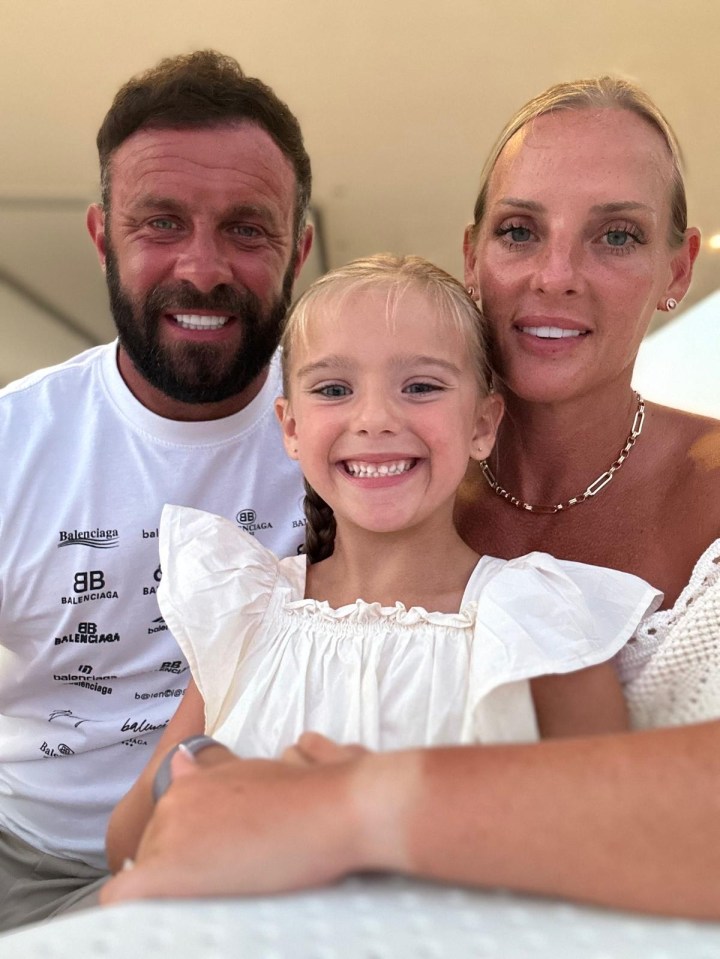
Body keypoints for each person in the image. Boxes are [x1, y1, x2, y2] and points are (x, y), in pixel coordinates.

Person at [101, 78, 720, 920]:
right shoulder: (303, 552)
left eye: (617, 234)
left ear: (677, 267)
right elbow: (143, 820)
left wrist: (335, 807)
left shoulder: (544, 609)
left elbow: (603, 835)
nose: (557, 274)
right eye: (519, 230)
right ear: (474, 255)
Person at [105, 253, 660, 871]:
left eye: (420, 386)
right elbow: (127, 839)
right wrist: (200, 773)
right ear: (290, 427)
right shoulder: (247, 609)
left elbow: (623, 845)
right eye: (333, 389)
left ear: (482, 422)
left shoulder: (538, 624)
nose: (374, 419)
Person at [0, 50, 313, 930]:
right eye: (161, 223)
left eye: (248, 228)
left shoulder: (363, 433)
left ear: (300, 246)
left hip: (276, 852)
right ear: (104, 235)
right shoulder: (14, 444)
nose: (203, 267)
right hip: (34, 861)